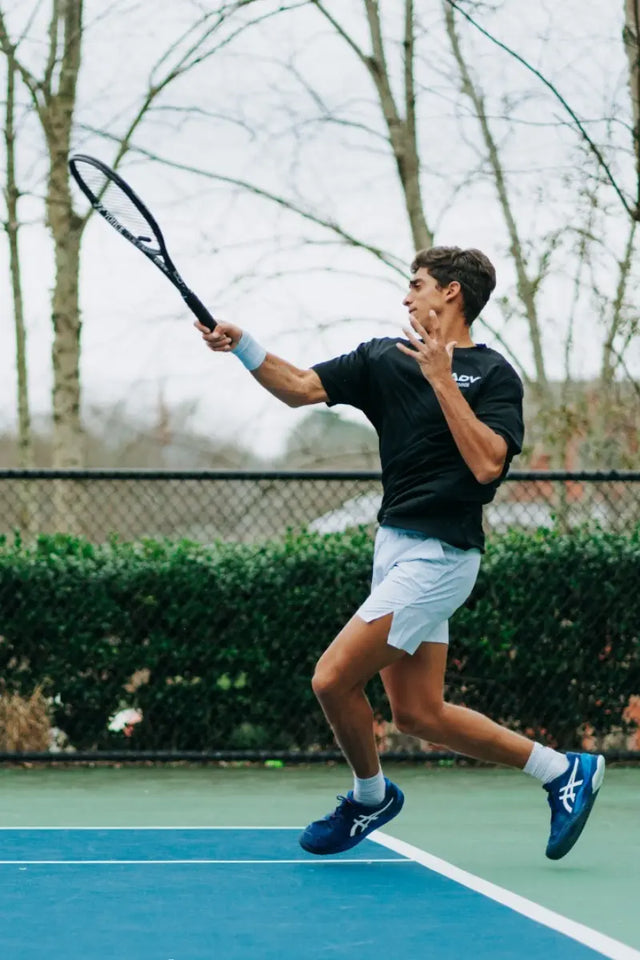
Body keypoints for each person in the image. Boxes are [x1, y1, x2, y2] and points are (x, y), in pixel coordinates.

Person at [195, 245, 604, 861]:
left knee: (332, 679)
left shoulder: (494, 375)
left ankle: (369, 797)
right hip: (393, 549)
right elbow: (301, 387)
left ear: (452, 294)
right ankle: (561, 771)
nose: (407, 296)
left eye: (417, 285)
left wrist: (442, 379)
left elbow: (489, 464)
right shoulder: (382, 358)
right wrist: (244, 344)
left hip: (441, 558)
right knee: (417, 713)